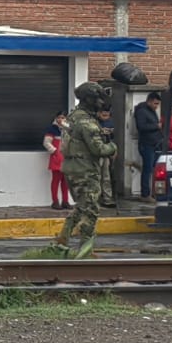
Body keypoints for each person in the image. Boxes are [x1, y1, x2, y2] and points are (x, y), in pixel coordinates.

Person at [54, 82, 117, 251]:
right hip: (86, 170)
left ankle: (63, 240)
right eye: (97, 99)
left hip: (71, 167)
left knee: (81, 207)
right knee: (91, 211)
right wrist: (113, 147)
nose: (100, 103)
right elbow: (98, 149)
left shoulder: (73, 116)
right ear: (90, 99)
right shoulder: (87, 122)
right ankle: (85, 249)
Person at [133, 92, 163, 202]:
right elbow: (141, 126)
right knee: (147, 169)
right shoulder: (142, 111)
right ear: (149, 101)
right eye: (155, 103)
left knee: (154, 169)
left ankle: (154, 192)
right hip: (146, 144)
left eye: (158, 104)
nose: (156, 106)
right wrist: (156, 126)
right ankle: (145, 194)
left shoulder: (151, 111)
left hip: (154, 143)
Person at [44, 113, 71, 209]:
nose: (61, 119)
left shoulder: (68, 129)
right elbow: (46, 143)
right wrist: (55, 151)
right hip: (57, 158)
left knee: (66, 182)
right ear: (56, 118)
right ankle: (55, 201)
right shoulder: (52, 129)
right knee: (56, 180)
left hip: (67, 158)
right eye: (59, 117)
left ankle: (65, 201)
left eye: (63, 117)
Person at [97, 106, 116, 209]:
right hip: (96, 153)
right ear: (99, 113)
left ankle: (107, 198)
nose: (106, 117)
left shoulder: (110, 122)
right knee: (96, 177)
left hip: (106, 153)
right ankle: (96, 199)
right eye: (103, 115)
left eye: (107, 115)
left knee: (106, 177)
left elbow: (112, 138)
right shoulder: (94, 122)